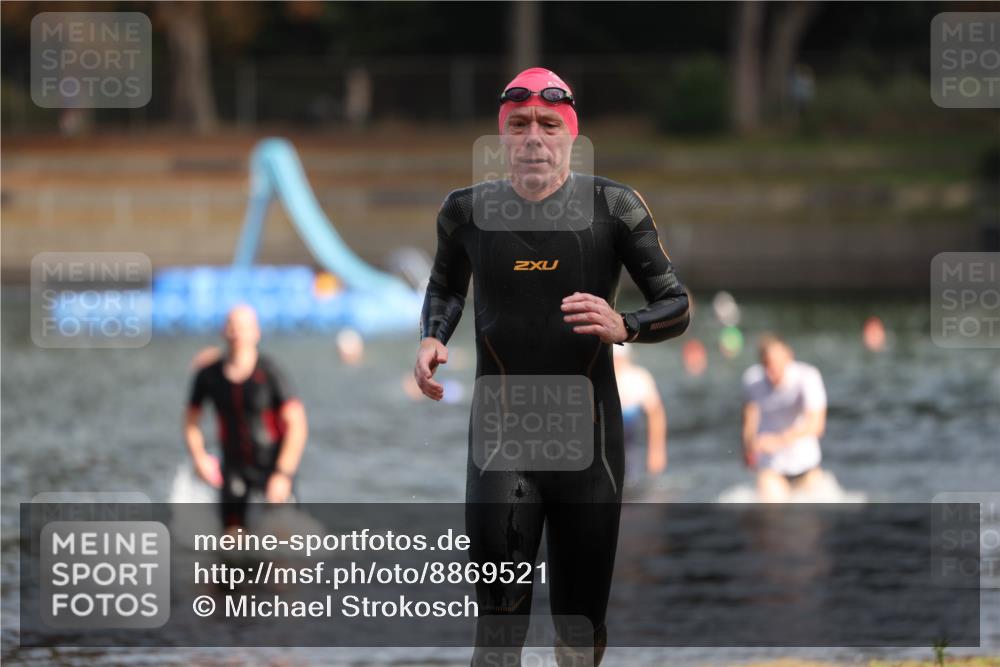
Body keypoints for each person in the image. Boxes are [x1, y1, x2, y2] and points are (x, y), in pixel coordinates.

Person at [413, 67, 689, 666]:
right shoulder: (466, 212)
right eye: (519, 125)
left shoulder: (613, 208)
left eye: (547, 124)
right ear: (502, 138)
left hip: (590, 450)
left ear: (571, 134)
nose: (533, 137)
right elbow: (444, 286)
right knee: (497, 633)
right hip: (501, 446)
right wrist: (433, 337)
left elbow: (677, 304)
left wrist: (627, 326)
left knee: (579, 634)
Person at [184, 305, 308, 530]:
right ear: (223, 331)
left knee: (284, 544)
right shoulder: (209, 375)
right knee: (232, 543)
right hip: (233, 467)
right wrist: (199, 457)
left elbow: (297, 426)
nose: (237, 333)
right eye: (232, 326)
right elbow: (191, 421)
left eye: (244, 327)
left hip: (272, 465)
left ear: (256, 332)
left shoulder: (271, 373)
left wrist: (283, 473)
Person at [741, 334, 828, 503]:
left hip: (806, 464)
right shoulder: (752, 379)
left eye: (774, 365)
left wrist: (779, 440)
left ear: (789, 359)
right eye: (765, 364)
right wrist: (748, 446)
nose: (770, 371)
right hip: (771, 468)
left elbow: (817, 425)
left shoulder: (808, 377)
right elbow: (749, 418)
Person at [612, 344, 668, 490]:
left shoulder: (638, 378)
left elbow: (656, 413)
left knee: (629, 471)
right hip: (608, 432)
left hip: (627, 432)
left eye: (619, 360)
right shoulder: (598, 376)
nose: (617, 364)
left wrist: (656, 451)